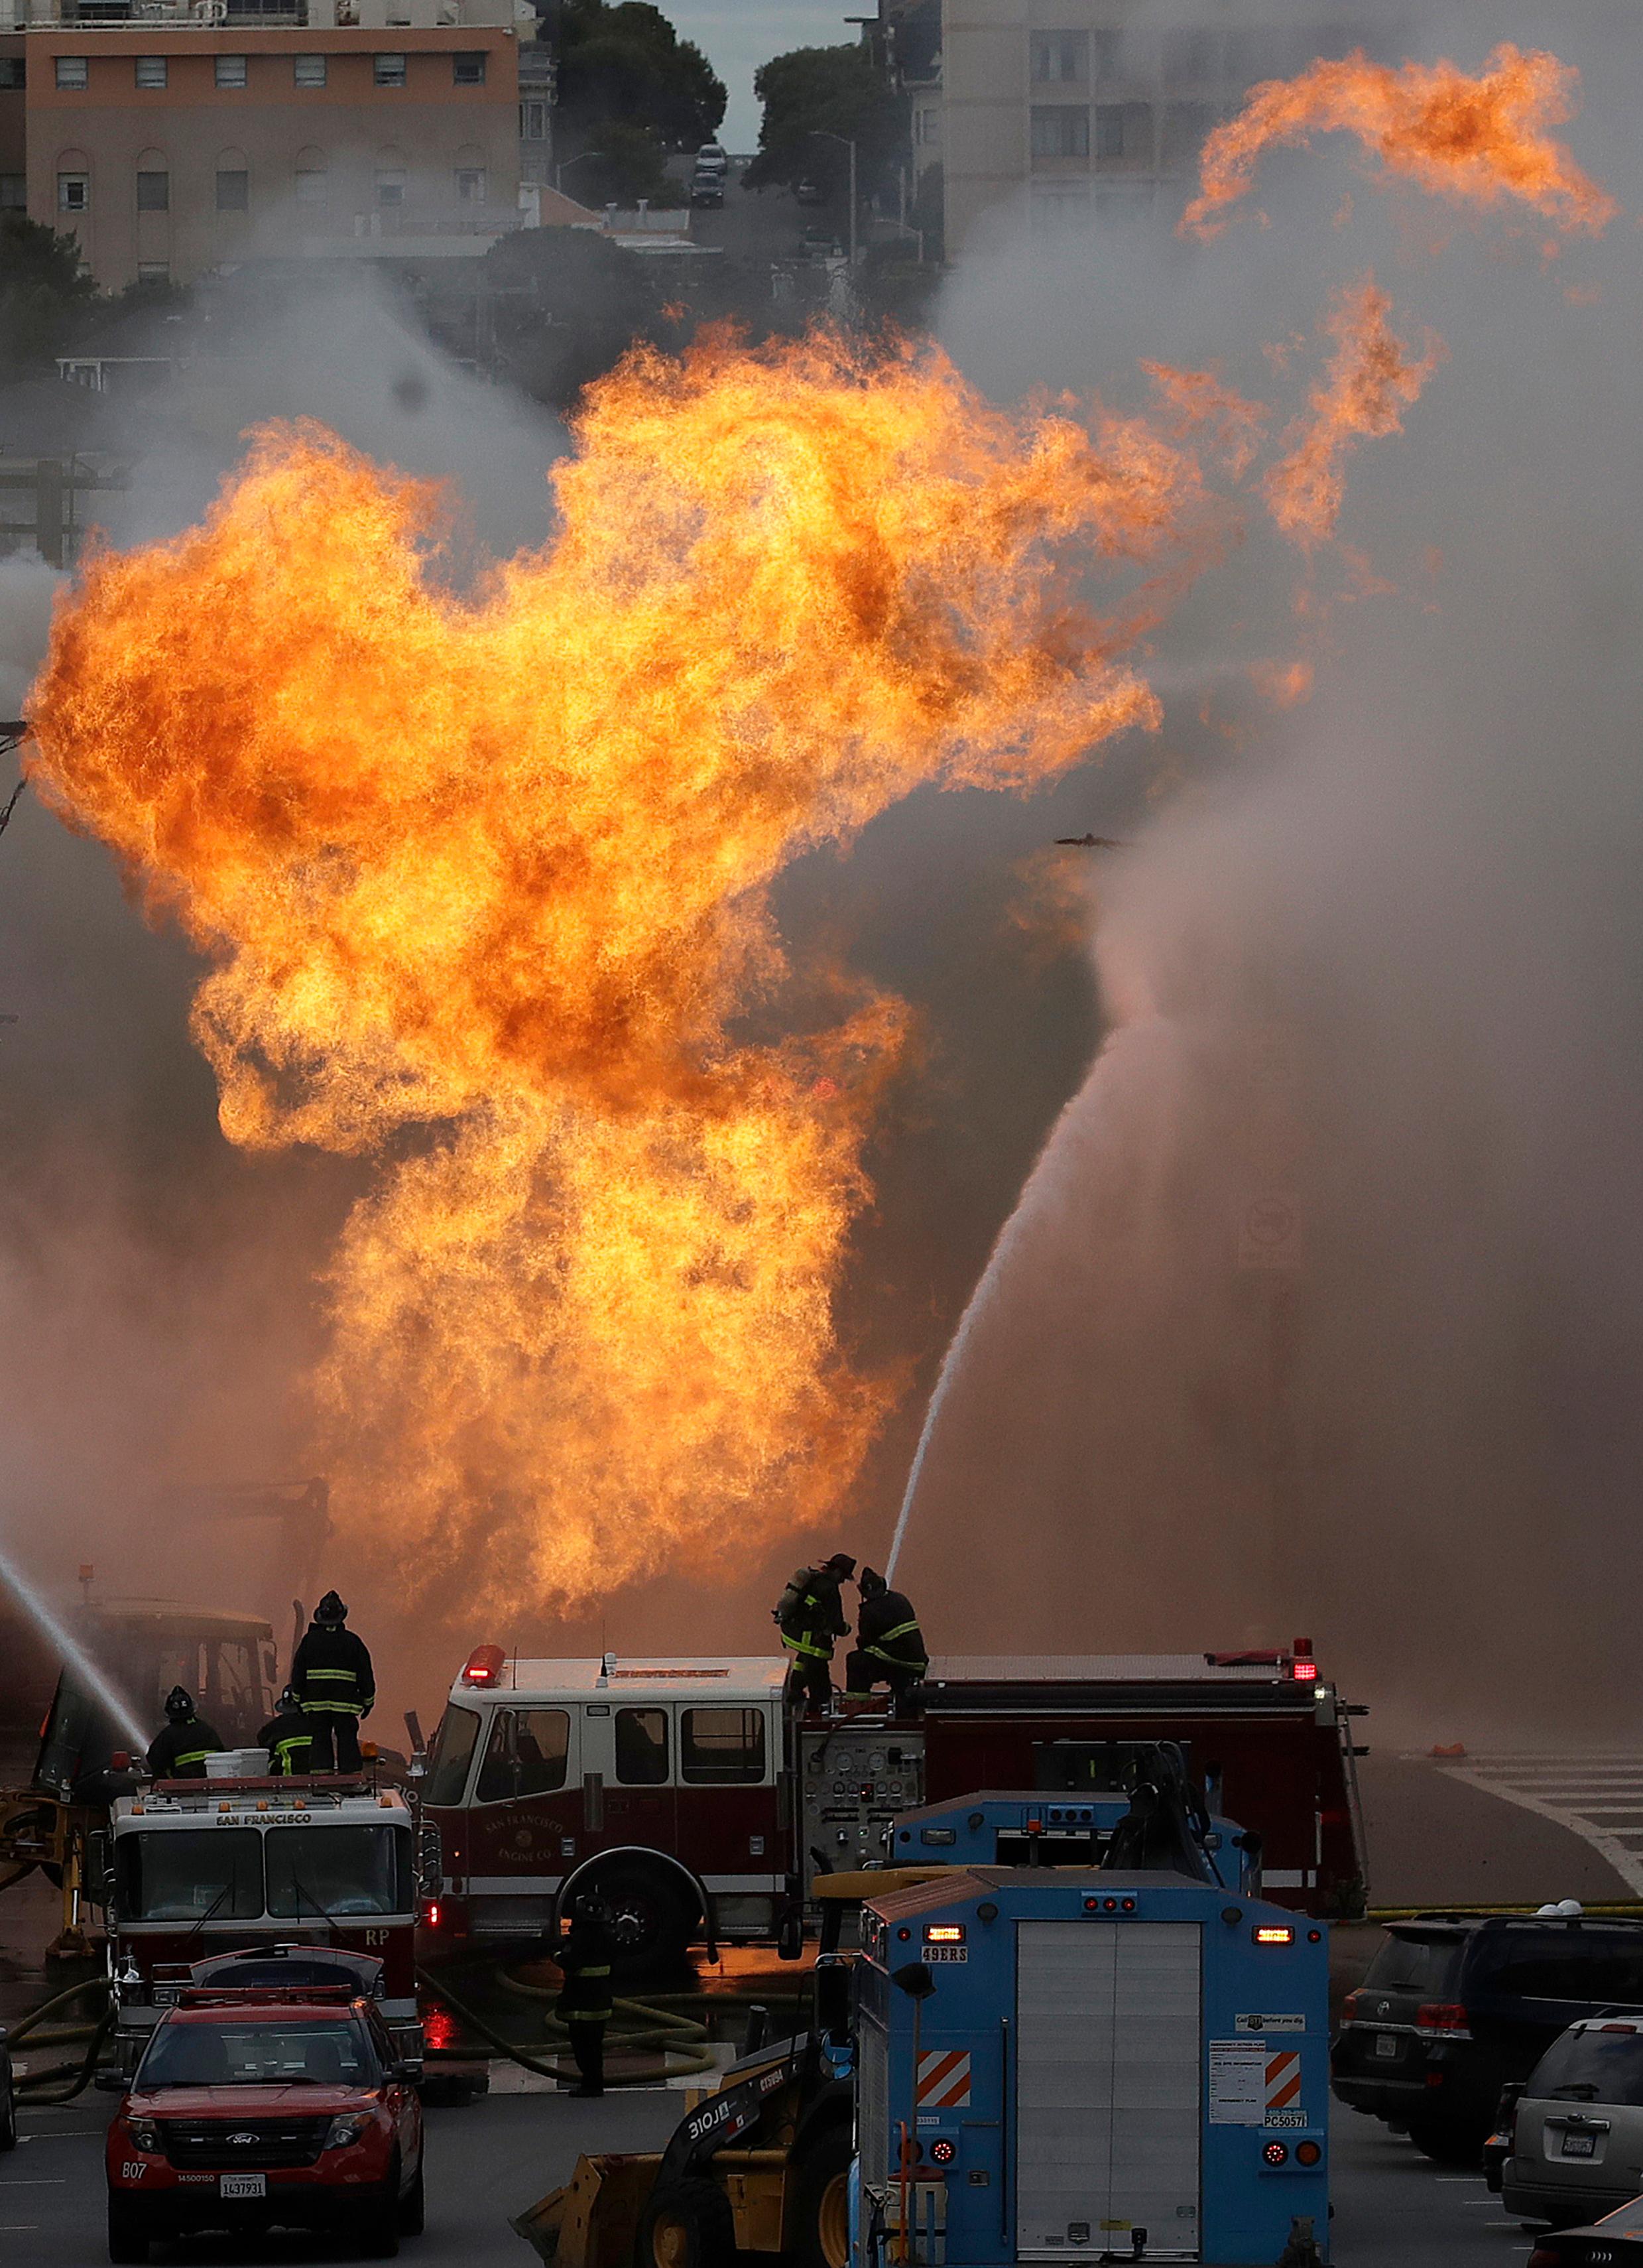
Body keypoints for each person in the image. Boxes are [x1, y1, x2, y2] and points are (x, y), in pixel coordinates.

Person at [291, 1592, 375, 1773]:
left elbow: (297, 1673)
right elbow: (366, 1674)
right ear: (342, 1616)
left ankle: (321, 1778)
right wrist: (368, 1701)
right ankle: (350, 1776)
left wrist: (297, 1699)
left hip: (315, 1703)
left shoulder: (309, 1641)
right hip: (345, 1704)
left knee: (320, 1737)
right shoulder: (353, 1642)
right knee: (347, 1737)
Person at [773, 1554, 855, 1712]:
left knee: (802, 1660)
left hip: (794, 1633)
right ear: (836, 1571)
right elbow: (836, 1623)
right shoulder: (830, 1589)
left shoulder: (814, 1579)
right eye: (843, 1576)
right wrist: (847, 1629)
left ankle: (795, 1690)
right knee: (821, 1685)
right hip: (811, 1640)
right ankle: (817, 1710)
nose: (843, 1580)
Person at [556, 1892, 615, 2098]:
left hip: (580, 2001)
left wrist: (557, 1954)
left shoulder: (579, 1938)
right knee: (595, 2046)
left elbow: (569, 1961)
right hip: (601, 2001)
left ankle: (590, 2085)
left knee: (583, 2047)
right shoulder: (608, 1935)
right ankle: (595, 2082)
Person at [844, 1568, 929, 1711]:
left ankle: (858, 1705)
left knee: (855, 1660)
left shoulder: (869, 1610)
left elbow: (866, 1641)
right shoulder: (899, 1598)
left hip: (898, 1660)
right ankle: (898, 1691)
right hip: (917, 1659)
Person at [146, 1687, 225, 1780]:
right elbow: (222, 1754)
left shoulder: (168, 1734)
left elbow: (154, 1759)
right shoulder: (207, 1729)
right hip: (212, 1783)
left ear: (169, 1712)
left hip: (181, 1786)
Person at [259, 1685, 314, 1777]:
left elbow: (262, 1743)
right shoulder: (318, 1725)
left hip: (285, 1781)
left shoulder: (273, 1728)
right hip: (315, 1780)